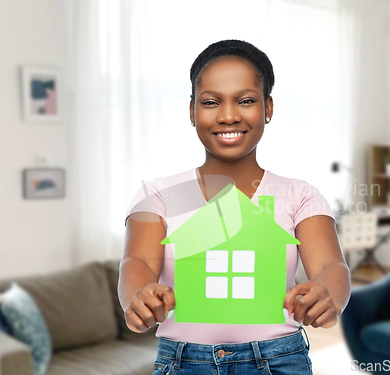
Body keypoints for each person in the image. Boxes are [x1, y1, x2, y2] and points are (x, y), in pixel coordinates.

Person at [119, 39, 351, 375]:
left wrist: (328, 295)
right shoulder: (160, 195)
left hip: (279, 360)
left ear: (267, 108)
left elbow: (330, 264)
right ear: (192, 110)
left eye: (245, 100)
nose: (228, 116)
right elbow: (137, 259)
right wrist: (138, 299)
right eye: (211, 102)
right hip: (184, 362)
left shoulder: (299, 195)